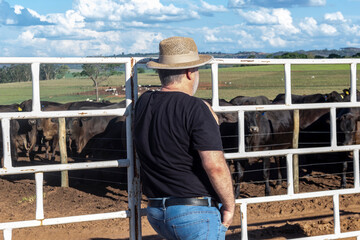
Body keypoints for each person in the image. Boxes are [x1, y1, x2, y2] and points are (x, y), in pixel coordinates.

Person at [134, 36, 235, 239]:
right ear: (190, 73)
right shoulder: (196, 108)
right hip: (194, 212)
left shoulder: (143, 102)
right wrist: (230, 205)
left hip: (156, 210)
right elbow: (215, 166)